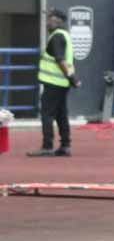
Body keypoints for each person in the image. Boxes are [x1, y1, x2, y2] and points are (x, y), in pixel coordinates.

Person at [27, 9, 79, 157]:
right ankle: (65, 145)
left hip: (54, 83)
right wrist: (71, 78)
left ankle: (47, 146)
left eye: (50, 19)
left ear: (58, 21)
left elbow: (60, 60)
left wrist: (72, 77)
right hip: (62, 84)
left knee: (47, 114)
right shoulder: (65, 36)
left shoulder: (56, 37)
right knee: (62, 114)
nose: (48, 22)